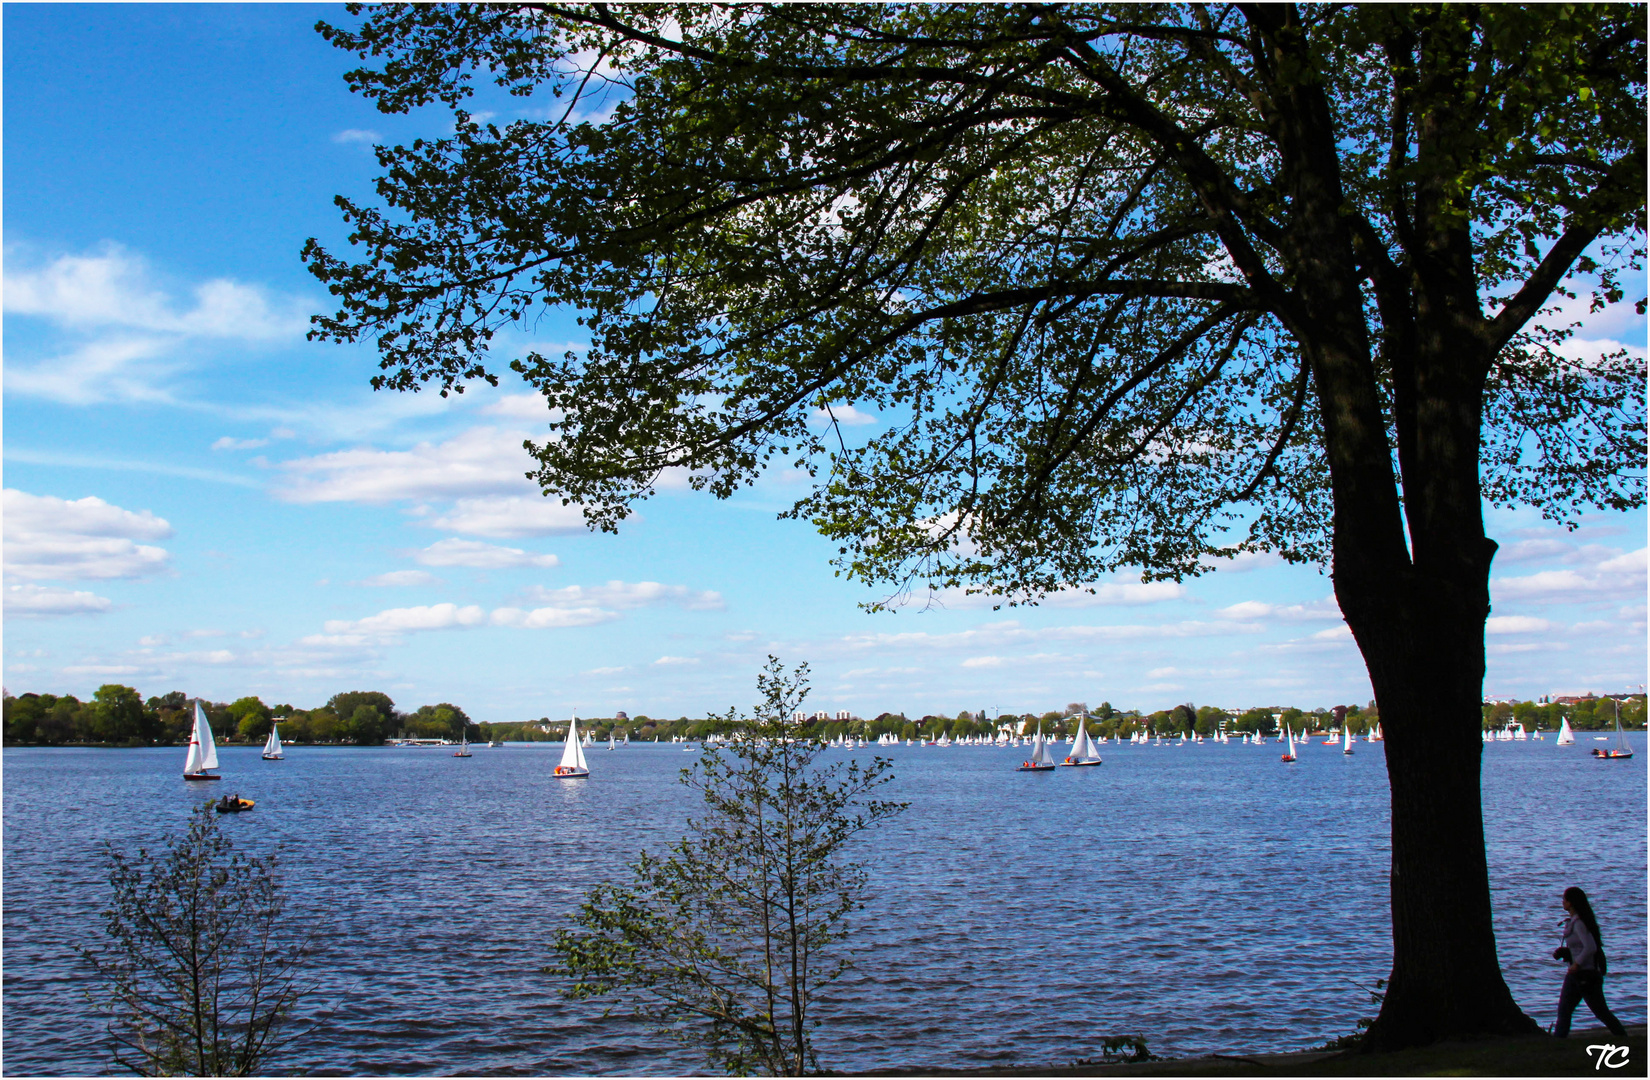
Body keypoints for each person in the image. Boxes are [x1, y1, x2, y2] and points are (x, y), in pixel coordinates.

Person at [1552, 886, 1627, 1038]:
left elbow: (1590, 947)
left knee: (1600, 1011)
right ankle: (1558, 1042)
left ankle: (1622, 1037)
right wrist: (1566, 954)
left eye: (1565, 899)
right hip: (1576, 974)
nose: (1563, 902)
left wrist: (1576, 964)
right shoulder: (1573, 922)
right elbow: (1580, 947)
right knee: (1564, 1010)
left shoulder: (1579, 923)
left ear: (1571, 903)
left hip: (1586, 974)